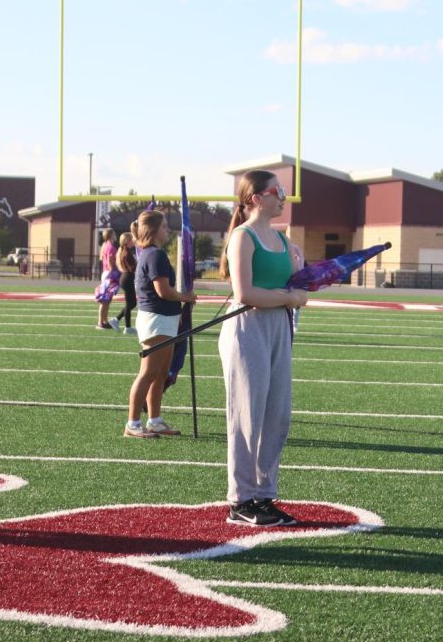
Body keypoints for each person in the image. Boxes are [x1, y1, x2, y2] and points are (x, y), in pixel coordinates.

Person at [218, 170, 308, 527]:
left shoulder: (285, 241)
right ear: (256, 198)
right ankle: (240, 499)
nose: (284, 197)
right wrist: (291, 297)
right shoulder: (244, 236)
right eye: (278, 191)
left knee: (277, 414)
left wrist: (303, 280)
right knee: (246, 414)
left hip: (278, 328)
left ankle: (264, 494)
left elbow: (297, 287)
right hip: (247, 328)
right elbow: (245, 294)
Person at [125, 211, 196, 439]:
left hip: (164, 319)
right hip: (156, 320)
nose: (168, 230)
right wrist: (186, 297)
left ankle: (154, 420)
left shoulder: (152, 254)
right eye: (164, 226)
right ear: (153, 230)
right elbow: (162, 291)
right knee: (148, 373)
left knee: (161, 373)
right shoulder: (155, 255)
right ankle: (133, 424)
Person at [113, 230, 138, 335]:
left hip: (126, 278)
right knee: (131, 303)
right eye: (131, 239)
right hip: (127, 278)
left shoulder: (123, 250)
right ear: (127, 241)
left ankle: (117, 320)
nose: (133, 241)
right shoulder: (126, 253)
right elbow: (134, 267)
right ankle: (127, 327)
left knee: (131, 303)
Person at [96, 228, 117, 330]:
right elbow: (110, 259)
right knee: (105, 300)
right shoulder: (110, 246)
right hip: (109, 273)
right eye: (114, 234)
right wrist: (113, 270)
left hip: (106, 272)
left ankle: (104, 321)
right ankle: (100, 322)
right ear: (110, 235)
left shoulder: (105, 245)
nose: (115, 235)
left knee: (107, 300)